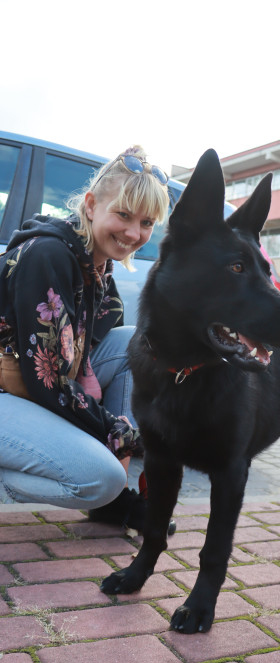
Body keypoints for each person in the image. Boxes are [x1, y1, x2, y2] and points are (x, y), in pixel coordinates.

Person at [0, 146, 171, 529]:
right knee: (100, 479)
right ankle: (108, 491)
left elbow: (100, 338)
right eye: (123, 215)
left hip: (22, 386)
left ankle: (114, 503)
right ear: (91, 205)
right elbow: (47, 382)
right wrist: (124, 435)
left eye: (146, 223)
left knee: (138, 344)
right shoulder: (48, 255)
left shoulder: (96, 266)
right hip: (11, 388)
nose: (133, 233)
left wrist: (90, 373)